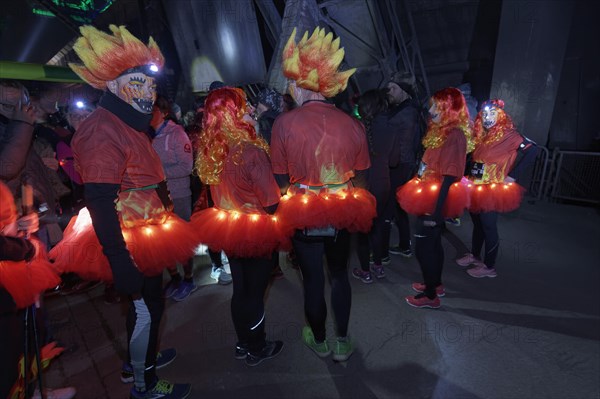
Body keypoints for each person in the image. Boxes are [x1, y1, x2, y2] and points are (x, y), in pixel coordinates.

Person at [50, 25, 193, 398]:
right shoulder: (103, 129)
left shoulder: (126, 123)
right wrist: (119, 259)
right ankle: (144, 386)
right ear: (112, 86)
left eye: (151, 83)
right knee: (148, 308)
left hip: (146, 229)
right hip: (130, 237)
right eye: (137, 81)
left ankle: (138, 363)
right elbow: (99, 199)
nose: (148, 91)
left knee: (150, 305)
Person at [271, 27, 375, 362]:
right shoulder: (354, 124)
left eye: (291, 82)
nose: (289, 89)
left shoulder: (283, 124)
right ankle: (343, 342)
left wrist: (301, 190)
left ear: (302, 83)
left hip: (303, 208)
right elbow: (362, 174)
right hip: (343, 206)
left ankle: (319, 340)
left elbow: (279, 177)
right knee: (340, 274)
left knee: (312, 277)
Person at [191, 87, 287, 366]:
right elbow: (270, 203)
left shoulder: (212, 150)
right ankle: (257, 347)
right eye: (244, 108)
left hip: (228, 227)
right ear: (235, 115)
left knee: (241, 289)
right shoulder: (250, 152)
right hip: (256, 229)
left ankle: (243, 342)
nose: (251, 111)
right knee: (256, 292)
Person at [397, 87, 473, 309]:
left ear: (448, 108)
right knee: (432, 245)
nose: (430, 110)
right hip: (427, 191)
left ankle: (431, 295)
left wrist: (437, 211)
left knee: (423, 247)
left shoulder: (454, 135)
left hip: (435, 196)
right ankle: (435, 284)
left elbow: (450, 176)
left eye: (435, 105)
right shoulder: (439, 130)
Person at [0, 182, 74, 399]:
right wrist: (24, 248)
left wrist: (22, 223)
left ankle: (32, 391)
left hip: (14, 266)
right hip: (8, 269)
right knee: (7, 350)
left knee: (28, 334)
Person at [457, 99, 537, 278]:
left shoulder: (511, 135)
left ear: (501, 115)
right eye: (485, 113)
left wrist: (513, 176)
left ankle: (489, 267)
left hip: (492, 189)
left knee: (488, 226)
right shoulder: (484, 133)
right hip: (475, 185)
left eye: (493, 113)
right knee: (477, 224)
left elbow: (533, 150)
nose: (488, 116)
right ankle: (476, 256)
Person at [150, 95, 197, 302]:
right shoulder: (146, 135)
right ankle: (175, 277)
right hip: (155, 198)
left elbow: (186, 167)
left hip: (178, 195)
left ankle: (189, 279)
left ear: (163, 112)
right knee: (162, 242)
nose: (148, 114)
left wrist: (158, 174)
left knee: (182, 241)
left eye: (152, 110)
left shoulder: (177, 134)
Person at [352, 88, 401, 283]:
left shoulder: (357, 129)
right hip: (383, 184)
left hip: (361, 185)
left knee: (363, 231)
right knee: (379, 227)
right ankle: (378, 266)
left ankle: (365, 271)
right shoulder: (392, 128)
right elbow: (394, 161)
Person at [385, 74, 424, 258]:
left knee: (389, 207)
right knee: (398, 207)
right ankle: (404, 245)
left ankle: (380, 254)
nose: (389, 92)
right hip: (402, 164)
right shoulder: (405, 108)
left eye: (393, 88)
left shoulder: (406, 113)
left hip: (400, 165)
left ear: (404, 91)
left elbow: (402, 142)